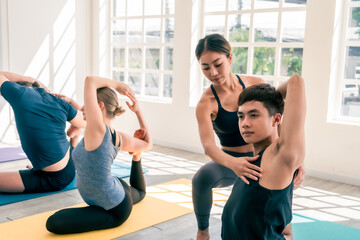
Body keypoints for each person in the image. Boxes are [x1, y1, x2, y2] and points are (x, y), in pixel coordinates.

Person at [192, 34, 305, 240]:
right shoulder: (206, 103)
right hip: (230, 161)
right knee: (201, 178)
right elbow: (208, 146)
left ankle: (285, 230)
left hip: (267, 157)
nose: (213, 72)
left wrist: (294, 159)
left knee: (276, 190)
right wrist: (234, 163)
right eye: (205, 67)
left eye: (218, 64)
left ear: (230, 58)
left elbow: (274, 107)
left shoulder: (254, 83)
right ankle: (203, 231)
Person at [46, 76, 152, 234]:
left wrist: (117, 84)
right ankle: (136, 157)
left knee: (54, 223)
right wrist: (138, 112)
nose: (83, 108)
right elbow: (148, 144)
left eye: (87, 105)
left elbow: (89, 80)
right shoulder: (116, 135)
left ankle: (136, 157)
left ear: (99, 107)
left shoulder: (98, 130)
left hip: (114, 210)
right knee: (140, 193)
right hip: (116, 189)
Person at [221, 74, 306, 240]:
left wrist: (273, 98)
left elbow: (296, 81)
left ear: (276, 119)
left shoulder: (278, 157)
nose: (245, 123)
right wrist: (272, 101)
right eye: (241, 116)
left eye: (253, 115)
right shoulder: (253, 161)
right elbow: (285, 229)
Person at [0, 71, 85, 193]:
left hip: (55, 178)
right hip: (69, 166)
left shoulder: (20, 94)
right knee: (74, 124)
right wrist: (71, 101)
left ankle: (73, 139)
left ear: (19, 86)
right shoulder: (59, 102)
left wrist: (28, 77)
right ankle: (74, 137)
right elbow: (85, 121)